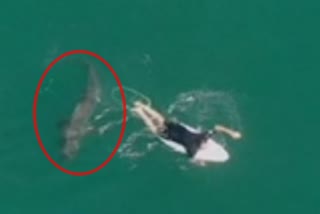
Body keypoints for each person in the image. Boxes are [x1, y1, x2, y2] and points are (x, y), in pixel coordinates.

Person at [132, 101, 241, 159]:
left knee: (161, 119)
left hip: (176, 127)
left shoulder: (202, 136)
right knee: (154, 127)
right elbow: (191, 157)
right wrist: (200, 161)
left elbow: (218, 127)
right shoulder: (191, 148)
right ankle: (140, 111)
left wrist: (232, 133)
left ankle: (142, 105)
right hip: (169, 135)